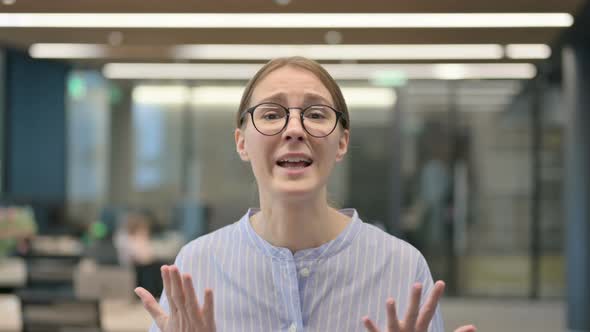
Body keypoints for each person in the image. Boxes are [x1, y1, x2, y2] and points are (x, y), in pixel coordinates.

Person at [134, 57, 476, 332]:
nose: (294, 129)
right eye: (270, 114)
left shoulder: (401, 267)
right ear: (242, 142)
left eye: (315, 114)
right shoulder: (196, 266)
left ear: (341, 142)